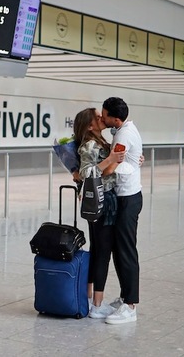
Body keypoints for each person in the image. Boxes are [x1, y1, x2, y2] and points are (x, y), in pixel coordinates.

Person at [73, 107, 125, 319]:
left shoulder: (99, 141)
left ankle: (88, 297)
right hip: (102, 201)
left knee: (98, 250)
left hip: (100, 201)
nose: (101, 118)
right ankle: (97, 304)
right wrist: (110, 158)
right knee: (103, 251)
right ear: (89, 125)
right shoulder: (90, 144)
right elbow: (87, 173)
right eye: (96, 117)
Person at [100, 97, 143, 325]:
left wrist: (96, 172)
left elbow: (111, 167)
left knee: (126, 250)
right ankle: (125, 297)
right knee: (119, 249)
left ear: (115, 119)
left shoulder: (124, 134)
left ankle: (130, 306)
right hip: (125, 196)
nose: (102, 117)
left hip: (128, 198)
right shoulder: (124, 130)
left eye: (104, 114)